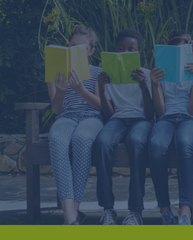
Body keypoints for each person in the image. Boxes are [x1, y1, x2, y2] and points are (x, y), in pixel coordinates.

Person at [93, 29, 154, 225]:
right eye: (121, 48)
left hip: (140, 120)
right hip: (118, 119)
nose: (125, 52)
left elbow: (149, 114)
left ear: (138, 53)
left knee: (136, 142)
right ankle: (108, 208)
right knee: (102, 142)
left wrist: (144, 86)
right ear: (114, 50)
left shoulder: (146, 74)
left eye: (131, 49)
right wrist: (102, 90)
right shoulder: (108, 76)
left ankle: (135, 211)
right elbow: (110, 115)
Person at [47, 25, 103, 225]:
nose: (74, 50)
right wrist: (61, 91)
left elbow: (101, 106)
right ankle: (71, 217)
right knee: (56, 138)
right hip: (66, 116)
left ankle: (72, 215)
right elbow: (55, 109)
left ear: (90, 51)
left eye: (80, 47)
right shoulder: (55, 72)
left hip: (92, 117)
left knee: (82, 138)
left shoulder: (97, 72)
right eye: (71, 45)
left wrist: (80, 90)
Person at [148, 33, 193, 225]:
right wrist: (155, 85)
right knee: (155, 144)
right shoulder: (163, 73)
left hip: (189, 117)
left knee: (185, 142)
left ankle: (185, 210)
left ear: (192, 53)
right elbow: (161, 110)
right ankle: (164, 209)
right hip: (167, 117)